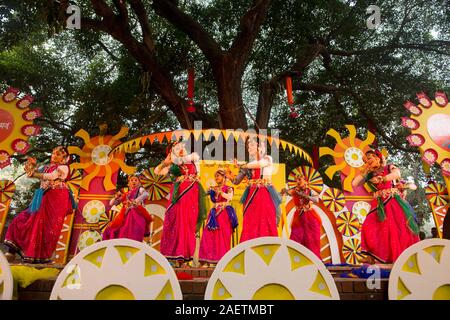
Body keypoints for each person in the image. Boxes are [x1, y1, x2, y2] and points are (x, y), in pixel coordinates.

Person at [4, 146, 77, 263]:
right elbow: (31, 173)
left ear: (64, 158)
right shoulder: (47, 167)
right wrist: (32, 166)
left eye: (58, 154)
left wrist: (34, 173)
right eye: (53, 153)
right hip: (42, 196)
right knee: (23, 219)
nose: (54, 156)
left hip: (56, 199)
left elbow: (51, 176)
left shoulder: (64, 167)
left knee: (47, 228)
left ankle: (39, 257)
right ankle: (11, 251)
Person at [352, 149, 419, 264]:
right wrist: (364, 171)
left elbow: (397, 174)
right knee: (368, 225)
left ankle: (397, 257)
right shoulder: (370, 174)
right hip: (378, 204)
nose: (367, 161)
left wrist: (383, 179)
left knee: (394, 229)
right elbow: (355, 183)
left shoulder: (389, 167)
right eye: (365, 160)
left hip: (392, 201)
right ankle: (371, 255)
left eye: (369, 158)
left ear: (377, 158)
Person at [155, 140, 207, 266]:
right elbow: (157, 172)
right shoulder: (173, 164)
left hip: (191, 192)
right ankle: (175, 256)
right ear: (172, 151)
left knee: (188, 223)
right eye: (177, 147)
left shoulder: (193, 157)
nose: (181, 148)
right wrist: (165, 163)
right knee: (174, 221)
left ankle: (185, 256)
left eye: (182, 146)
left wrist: (174, 158)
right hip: (177, 194)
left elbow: (183, 160)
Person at [227, 138, 281, 243]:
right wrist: (229, 176)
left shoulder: (267, 159)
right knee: (250, 220)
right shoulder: (247, 165)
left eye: (252, 145)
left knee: (265, 218)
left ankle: (267, 245)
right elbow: (236, 181)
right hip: (251, 194)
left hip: (264, 193)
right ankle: (249, 245)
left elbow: (259, 164)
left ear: (259, 147)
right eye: (248, 146)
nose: (249, 148)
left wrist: (242, 165)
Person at [199, 170, 238, 265]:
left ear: (224, 177)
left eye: (218, 176)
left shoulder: (229, 188)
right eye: (215, 176)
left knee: (222, 236)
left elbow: (230, 197)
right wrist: (209, 191)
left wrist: (220, 192)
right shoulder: (214, 188)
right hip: (214, 214)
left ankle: (222, 261)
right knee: (208, 234)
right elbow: (205, 195)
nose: (216, 178)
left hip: (224, 212)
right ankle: (205, 259)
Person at [281, 173, 322, 259]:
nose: (298, 182)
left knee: (311, 238)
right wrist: (283, 191)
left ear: (305, 181)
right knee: (295, 236)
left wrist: (305, 196)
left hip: (309, 216)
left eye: (300, 180)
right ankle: (292, 259)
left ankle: (314, 260)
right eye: (296, 180)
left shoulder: (309, 190)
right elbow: (285, 193)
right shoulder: (294, 190)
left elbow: (316, 199)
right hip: (299, 217)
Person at [102, 175, 153, 242]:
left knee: (135, 231)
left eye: (136, 180)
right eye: (132, 180)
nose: (134, 182)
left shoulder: (140, 189)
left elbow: (146, 194)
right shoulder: (126, 194)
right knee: (119, 230)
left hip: (137, 212)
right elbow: (112, 203)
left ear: (139, 183)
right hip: (125, 215)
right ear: (128, 183)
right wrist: (116, 197)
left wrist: (136, 200)